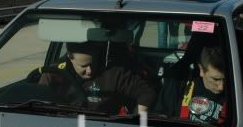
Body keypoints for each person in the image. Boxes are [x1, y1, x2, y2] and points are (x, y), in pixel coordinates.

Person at [28, 42, 157, 114]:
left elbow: (147, 92)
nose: (90, 71)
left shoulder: (113, 73)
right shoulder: (54, 73)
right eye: (84, 66)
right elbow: (39, 104)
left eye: (93, 64)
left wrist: (138, 121)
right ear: (70, 57)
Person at [154, 46, 227, 126]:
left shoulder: (236, 91)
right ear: (201, 70)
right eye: (215, 79)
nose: (221, 87)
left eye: (226, 79)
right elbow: (160, 121)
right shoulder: (179, 85)